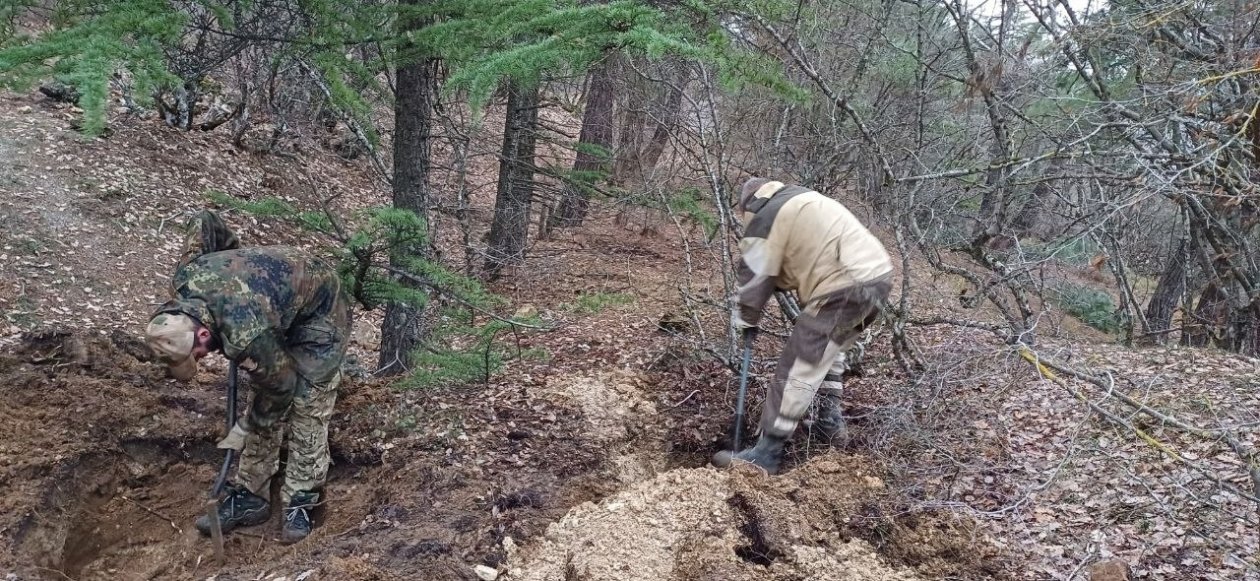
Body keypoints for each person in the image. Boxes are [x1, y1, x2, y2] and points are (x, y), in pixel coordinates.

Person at [144, 210, 352, 543]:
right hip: (271, 304)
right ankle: (252, 496)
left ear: (202, 334)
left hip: (320, 305)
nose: (201, 360)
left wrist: (245, 428)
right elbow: (204, 220)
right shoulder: (184, 279)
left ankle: (301, 499)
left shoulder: (245, 333)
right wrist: (233, 256)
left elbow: (282, 386)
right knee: (263, 391)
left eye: (196, 355)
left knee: (306, 400)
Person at [712, 178, 893, 474]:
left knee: (798, 361)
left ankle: (766, 453)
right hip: (877, 277)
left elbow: (753, 273)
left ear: (747, 206)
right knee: (828, 353)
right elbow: (793, 263)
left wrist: (747, 320)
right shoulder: (799, 201)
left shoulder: (765, 214)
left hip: (845, 282)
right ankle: (828, 425)